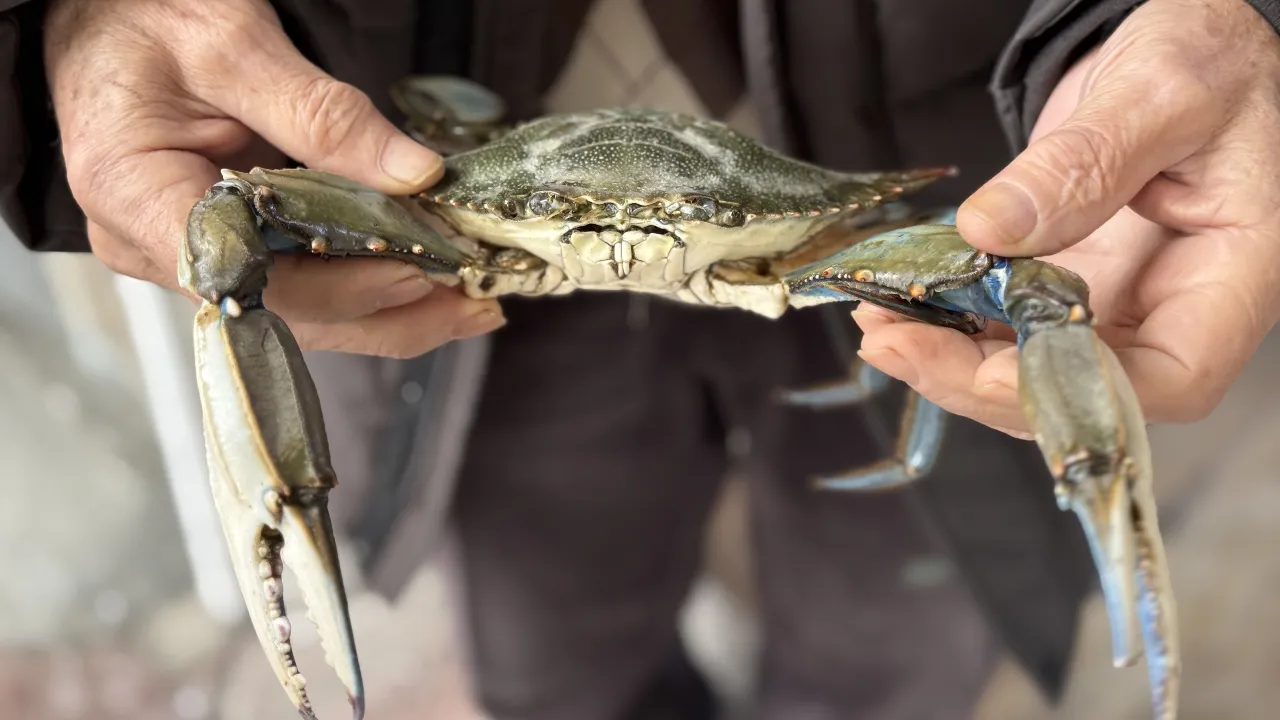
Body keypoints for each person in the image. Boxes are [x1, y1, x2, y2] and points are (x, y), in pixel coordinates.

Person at [3, 1, 1278, 718]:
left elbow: (1033, 284)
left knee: (890, 651)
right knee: (553, 657)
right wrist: (59, 25)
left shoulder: (859, 228)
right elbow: (224, 211)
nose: (630, 246)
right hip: (440, 250)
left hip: (944, 140)